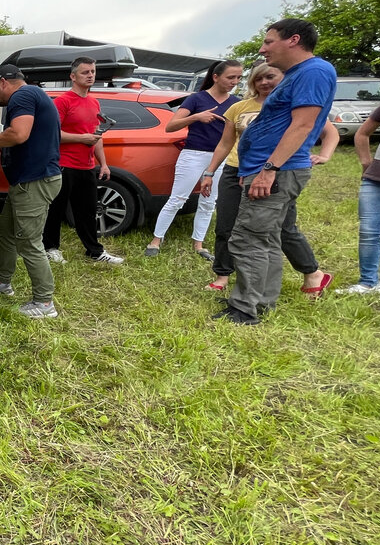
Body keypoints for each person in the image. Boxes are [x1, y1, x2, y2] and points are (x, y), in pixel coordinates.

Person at [217, 18, 337, 325]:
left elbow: (303, 124)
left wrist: (268, 169)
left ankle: (245, 308)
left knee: (247, 238)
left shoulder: (314, 71)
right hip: (270, 169)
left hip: (277, 171)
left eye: (269, 41)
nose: (263, 48)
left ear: (293, 40)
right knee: (267, 237)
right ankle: (261, 301)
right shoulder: (298, 74)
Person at [199, 62, 337, 293]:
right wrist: (210, 172)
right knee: (225, 226)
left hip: (276, 172)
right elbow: (225, 143)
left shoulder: (291, 105)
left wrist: (324, 155)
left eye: (270, 77)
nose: (264, 83)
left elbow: (327, 131)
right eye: (258, 79)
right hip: (236, 171)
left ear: (284, 78)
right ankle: (222, 275)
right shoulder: (239, 107)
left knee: (283, 228)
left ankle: (313, 273)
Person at [0, 64, 63, 319]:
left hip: (35, 182)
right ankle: (2, 283)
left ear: (3, 82)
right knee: (6, 231)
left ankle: (44, 303)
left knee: (29, 241)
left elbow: (19, 134)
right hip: (28, 181)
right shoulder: (36, 95)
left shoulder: (22, 96)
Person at [143, 60, 241, 259]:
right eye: (231, 77)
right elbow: (171, 126)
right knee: (177, 199)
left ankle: (199, 244)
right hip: (194, 154)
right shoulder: (196, 99)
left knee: (208, 202)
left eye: (239, 78)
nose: (235, 81)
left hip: (221, 158)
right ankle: (156, 240)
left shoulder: (236, 102)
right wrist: (197, 117)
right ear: (216, 77)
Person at [41, 56, 124, 265]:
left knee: (87, 211)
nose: (90, 75)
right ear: (73, 76)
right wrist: (81, 138)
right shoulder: (62, 101)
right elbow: (52, 133)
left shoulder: (94, 102)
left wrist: (103, 163)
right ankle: (50, 248)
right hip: (64, 165)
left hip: (87, 166)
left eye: (93, 72)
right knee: (56, 210)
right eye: (85, 72)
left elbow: (96, 135)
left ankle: (95, 251)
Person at [334, 90, 380, 294]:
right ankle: (367, 282)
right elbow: (362, 133)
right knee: (369, 233)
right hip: (377, 180)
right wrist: (366, 162)